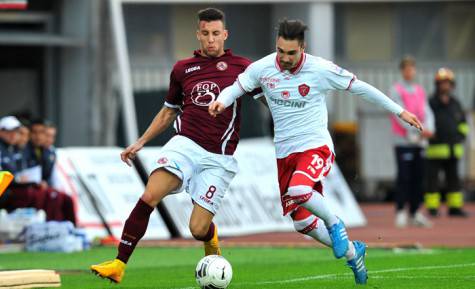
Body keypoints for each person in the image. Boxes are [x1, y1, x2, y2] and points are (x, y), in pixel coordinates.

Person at [209, 19, 423, 285]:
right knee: (301, 223)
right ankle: (355, 253)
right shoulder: (262, 68)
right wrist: (221, 101)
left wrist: (400, 111)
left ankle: (335, 224)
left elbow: (362, 88)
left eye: (291, 53)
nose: (285, 58)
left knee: (300, 190)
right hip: (284, 154)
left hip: (315, 146)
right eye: (281, 51)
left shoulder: (320, 69)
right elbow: (237, 87)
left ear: (303, 48)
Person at [90, 8, 262, 283]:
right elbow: (169, 111)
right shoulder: (182, 69)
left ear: (225, 35)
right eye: (205, 34)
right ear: (198, 34)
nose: (210, 39)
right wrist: (140, 142)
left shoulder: (243, 68)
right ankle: (119, 263)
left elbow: (266, 100)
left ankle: (211, 238)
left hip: (219, 158)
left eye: (216, 34)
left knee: (197, 228)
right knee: (150, 195)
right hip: (184, 145)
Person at [389, 56, 434, 228]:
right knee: (404, 177)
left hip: (419, 141)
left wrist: (427, 130)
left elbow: (426, 112)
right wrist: (414, 132)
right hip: (403, 141)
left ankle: (415, 212)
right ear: (402, 71)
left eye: (412, 68)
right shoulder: (396, 90)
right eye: (406, 69)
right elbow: (399, 113)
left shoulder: (419, 90)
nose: (410, 72)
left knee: (418, 178)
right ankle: (401, 211)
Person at [425, 68, 469, 217]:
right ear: (437, 84)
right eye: (442, 83)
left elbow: (463, 123)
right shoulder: (430, 102)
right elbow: (425, 121)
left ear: (452, 85)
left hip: (453, 149)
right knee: (433, 181)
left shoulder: (456, 103)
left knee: (454, 181)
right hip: (435, 149)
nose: (445, 86)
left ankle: (455, 208)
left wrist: (461, 135)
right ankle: (432, 209)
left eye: (448, 83)